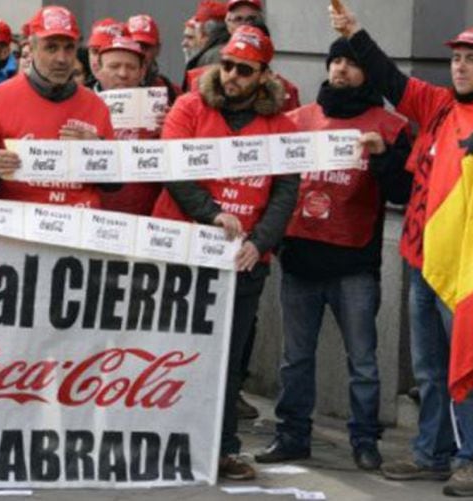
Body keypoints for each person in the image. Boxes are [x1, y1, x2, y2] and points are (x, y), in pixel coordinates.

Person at [332, 5, 473, 496]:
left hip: (469, 271)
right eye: (457, 58)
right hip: (424, 261)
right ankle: (432, 453)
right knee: (429, 369)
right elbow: (388, 78)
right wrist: (355, 33)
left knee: (471, 364)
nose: (461, 66)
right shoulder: (440, 104)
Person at [254, 36, 411, 472]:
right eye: (335, 60)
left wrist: (382, 159)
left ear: (368, 73)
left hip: (354, 264)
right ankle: (291, 436)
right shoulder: (296, 120)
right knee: (295, 359)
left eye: (351, 62)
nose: (340, 69)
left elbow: (405, 191)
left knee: (362, 361)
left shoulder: (390, 125)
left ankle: (364, 439)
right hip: (300, 259)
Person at [152, 25, 300, 481]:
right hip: (184, 249)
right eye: (229, 65)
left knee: (228, 360)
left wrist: (260, 242)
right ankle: (158, 442)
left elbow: (285, 189)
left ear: (263, 75)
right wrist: (213, 215)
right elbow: (174, 170)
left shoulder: (279, 123)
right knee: (170, 353)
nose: (233, 75)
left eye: (245, 69)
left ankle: (220, 448)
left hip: (243, 260)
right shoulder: (190, 105)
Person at [0, 6, 114, 208]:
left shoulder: (96, 105)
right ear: (31, 49)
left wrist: (98, 152)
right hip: (18, 230)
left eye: (69, 48)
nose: (61, 58)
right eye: (51, 47)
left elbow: (114, 184)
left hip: (78, 230)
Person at [92, 36, 163, 216]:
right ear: (97, 69)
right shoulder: (79, 104)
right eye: (114, 66)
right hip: (94, 212)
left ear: (142, 72)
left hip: (145, 213)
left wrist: (171, 132)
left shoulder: (161, 108)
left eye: (131, 67)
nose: (123, 74)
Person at [127, 14, 181, 103]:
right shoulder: (102, 88)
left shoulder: (172, 92)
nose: (140, 53)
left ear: (157, 49)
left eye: (145, 47)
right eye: (134, 46)